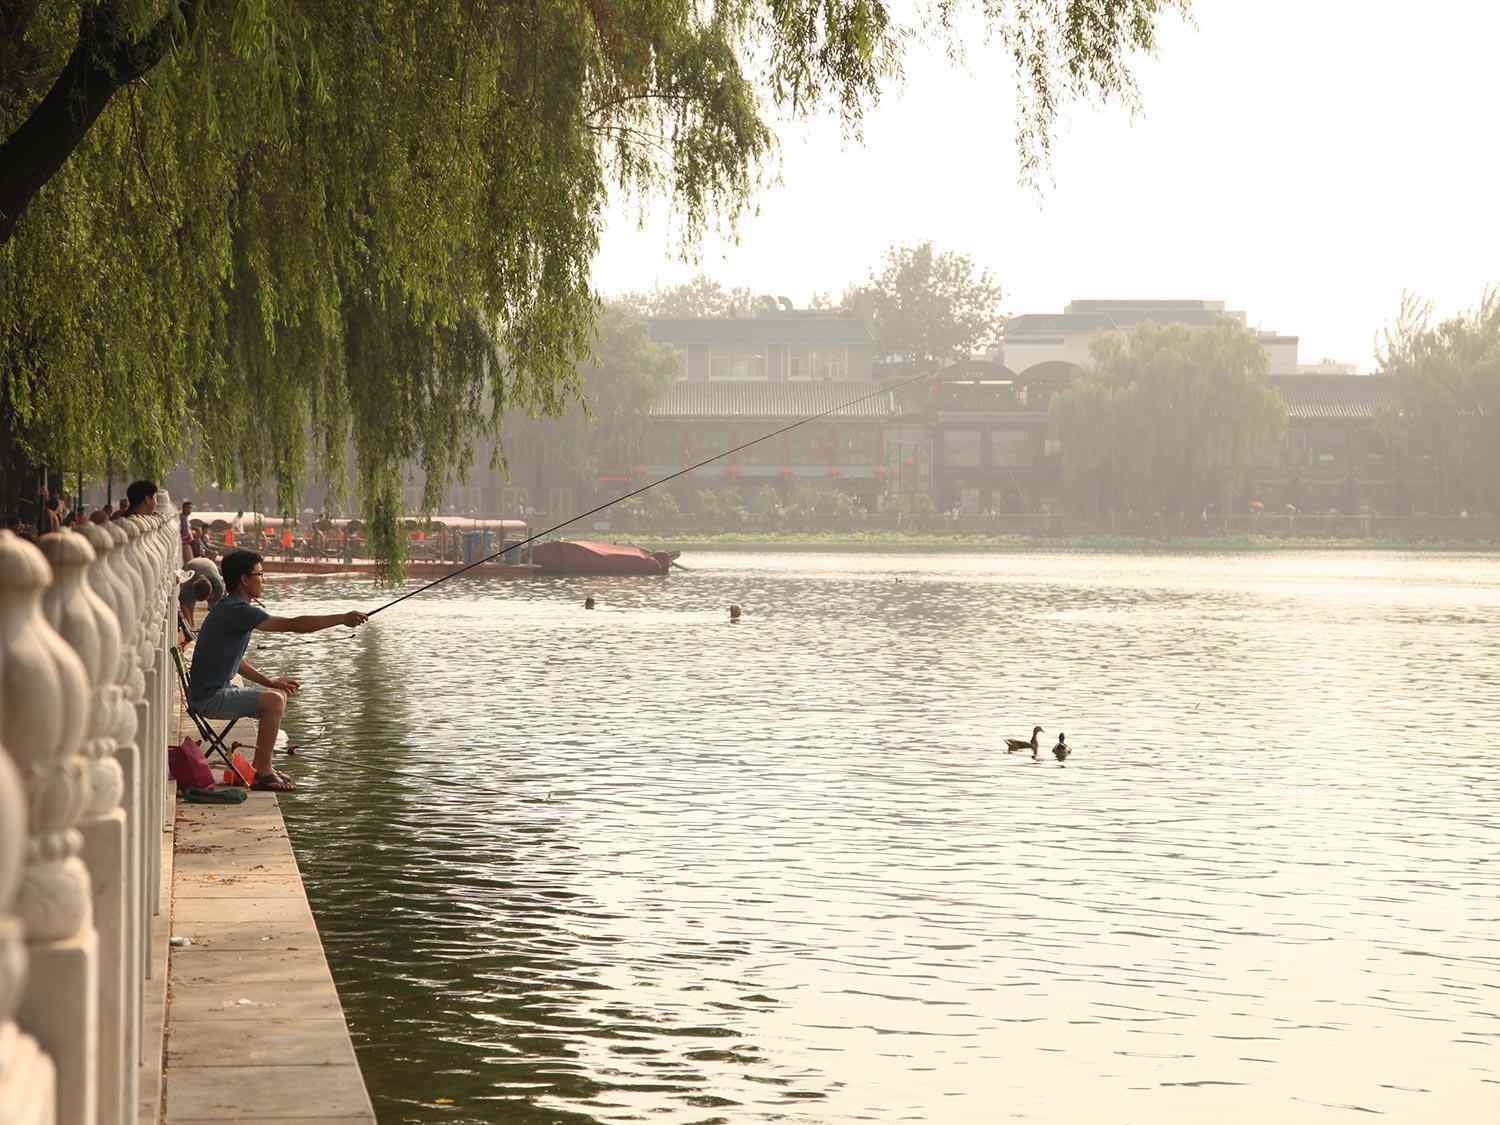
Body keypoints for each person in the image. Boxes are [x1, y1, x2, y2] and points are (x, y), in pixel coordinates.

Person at [187, 549, 367, 791]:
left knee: (277, 695)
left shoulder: (227, 608)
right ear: (244, 579)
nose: (264, 579)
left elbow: (236, 661)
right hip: (209, 698)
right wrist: (342, 618)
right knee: (274, 702)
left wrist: (270, 681)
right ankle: (263, 772)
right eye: (260, 574)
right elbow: (295, 625)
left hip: (208, 692)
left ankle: (263, 765)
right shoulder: (239, 611)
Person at [178, 556, 226, 629]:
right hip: (191, 565)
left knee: (215, 610)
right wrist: (190, 628)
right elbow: (184, 604)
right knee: (188, 601)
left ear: (211, 593)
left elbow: (215, 612)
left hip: (208, 564)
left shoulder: (219, 587)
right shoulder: (188, 582)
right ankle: (192, 625)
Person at [179, 500, 195, 564]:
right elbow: (185, 533)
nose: (190, 510)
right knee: (189, 563)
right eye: (188, 508)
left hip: (186, 544)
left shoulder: (185, 517)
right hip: (185, 544)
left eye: (191, 508)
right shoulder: (183, 518)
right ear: (184, 508)